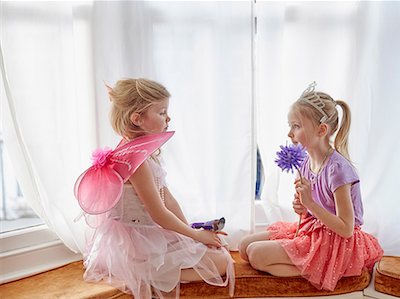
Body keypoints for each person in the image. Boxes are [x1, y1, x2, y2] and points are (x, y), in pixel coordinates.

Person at [74, 78, 234, 298]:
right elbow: (159, 213)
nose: (168, 118)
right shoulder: (136, 162)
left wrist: (190, 234)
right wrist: (195, 237)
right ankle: (146, 274)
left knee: (216, 246)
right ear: (137, 119)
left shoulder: (138, 151)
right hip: (136, 243)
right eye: (161, 112)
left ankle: (158, 269)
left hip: (146, 232)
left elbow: (167, 199)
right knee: (221, 261)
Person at [239, 82, 383, 291]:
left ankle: (321, 270)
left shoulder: (338, 170)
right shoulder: (306, 162)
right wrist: (303, 208)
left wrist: (311, 204)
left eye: (296, 126)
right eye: (290, 125)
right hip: (313, 229)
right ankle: (312, 266)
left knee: (256, 255)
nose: (290, 133)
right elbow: (309, 212)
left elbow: (346, 228)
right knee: (245, 247)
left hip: (338, 241)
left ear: (321, 130)